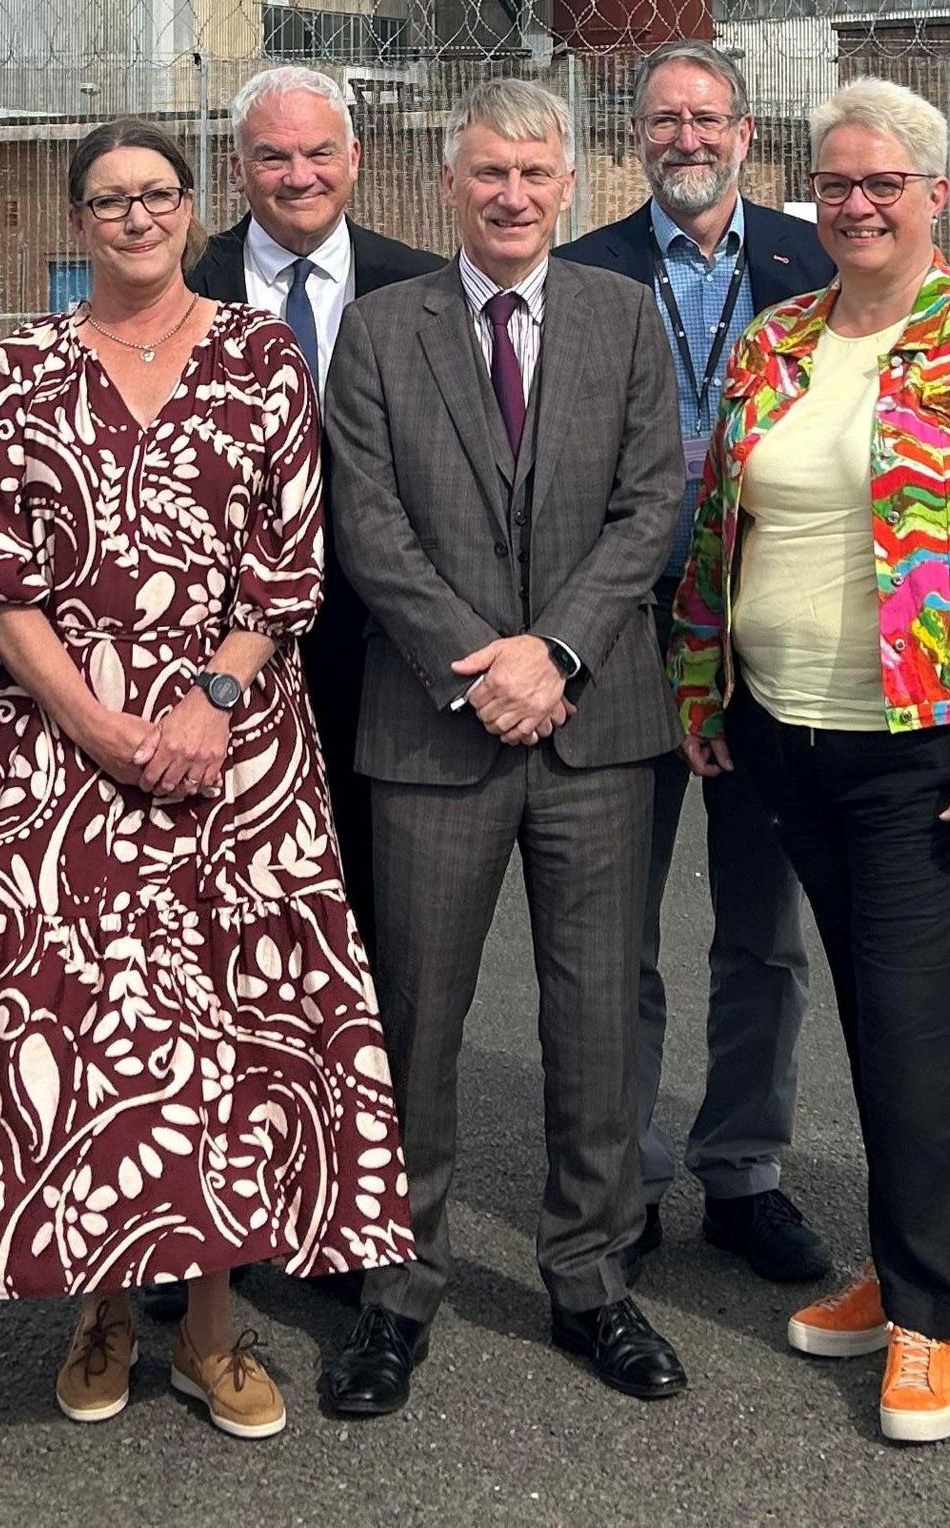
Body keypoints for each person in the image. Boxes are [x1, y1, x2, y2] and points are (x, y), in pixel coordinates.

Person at [0, 118, 414, 1444]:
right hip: (63, 754)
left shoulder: (261, 356)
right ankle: (101, 1305)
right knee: (82, 1031)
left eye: (157, 195)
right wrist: (98, 724)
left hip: (236, 752)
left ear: (189, 207)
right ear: (78, 222)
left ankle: (214, 1332)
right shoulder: (22, 368)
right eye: (109, 201)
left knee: (225, 1032)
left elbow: (288, 563)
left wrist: (211, 699)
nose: (135, 218)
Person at [670, 77, 950, 1447]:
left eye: (881, 186)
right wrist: (701, 691)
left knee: (924, 1035)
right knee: (866, 1012)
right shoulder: (774, 344)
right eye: (835, 186)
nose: (853, 207)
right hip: (787, 733)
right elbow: (716, 530)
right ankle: (917, 1269)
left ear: (933, 198)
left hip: (927, 751)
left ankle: (927, 1318)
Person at [312, 78, 691, 1419]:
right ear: (449, 183)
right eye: (488, 175)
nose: (513, 195)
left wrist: (559, 653)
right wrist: (485, 666)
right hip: (435, 728)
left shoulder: (623, 316)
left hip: (594, 727)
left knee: (594, 1017)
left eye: (535, 174)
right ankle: (397, 1285)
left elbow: (655, 503)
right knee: (414, 1019)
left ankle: (589, 1279)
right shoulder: (377, 334)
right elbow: (370, 531)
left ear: (570, 184)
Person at [557, 38, 836, 1287]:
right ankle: (631, 1172)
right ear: (635, 137)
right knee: (617, 932)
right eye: (663, 119)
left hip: (777, 637)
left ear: (746, 131)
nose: (686, 138)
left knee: (763, 929)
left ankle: (747, 1169)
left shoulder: (818, 259)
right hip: (624, 636)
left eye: (707, 118)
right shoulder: (579, 272)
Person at [188, 62, 444, 888]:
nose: (299, 176)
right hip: (223, 637)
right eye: (272, 157)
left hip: (382, 640)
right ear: (236, 169)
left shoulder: (421, 288)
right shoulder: (188, 291)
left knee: (379, 879)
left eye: (319, 153)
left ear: (356, 157)